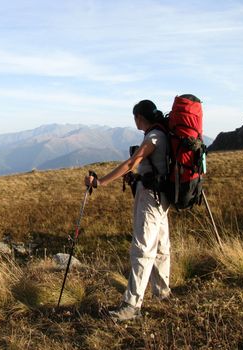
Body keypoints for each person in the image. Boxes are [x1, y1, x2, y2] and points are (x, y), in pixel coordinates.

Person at [85, 99, 171, 322]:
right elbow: (146, 165)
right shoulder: (161, 133)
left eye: (135, 117)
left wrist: (100, 182)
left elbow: (132, 162)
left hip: (150, 199)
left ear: (139, 117)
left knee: (141, 249)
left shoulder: (153, 136)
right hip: (161, 197)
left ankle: (132, 305)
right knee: (161, 246)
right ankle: (163, 294)